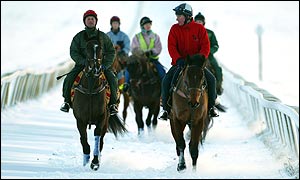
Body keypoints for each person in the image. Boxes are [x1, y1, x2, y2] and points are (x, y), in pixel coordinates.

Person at [159, 3, 219, 120]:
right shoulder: (174, 29)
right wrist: (178, 59)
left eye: (179, 15)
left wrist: (200, 59)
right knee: (166, 80)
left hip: (196, 65)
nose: (177, 18)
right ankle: (166, 109)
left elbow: (205, 46)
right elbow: (171, 47)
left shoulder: (200, 29)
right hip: (179, 64)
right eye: (177, 15)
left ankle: (211, 107)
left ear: (187, 16)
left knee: (212, 80)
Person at [60, 10, 119, 116]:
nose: (91, 21)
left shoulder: (103, 37)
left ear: (96, 21)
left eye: (92, 19)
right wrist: (82, 62)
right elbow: (73, 51)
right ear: (84, 21)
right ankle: (67, 102)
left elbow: (111, 51)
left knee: (113, 79)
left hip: (101, 66)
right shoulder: (78, 37)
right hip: (82, 66)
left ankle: (113, 104)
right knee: (69, 78)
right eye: (88, 19)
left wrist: (105, 64)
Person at [124, 16, 166, 91]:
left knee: (162, 72)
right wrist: (142, 53)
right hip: (140, 61)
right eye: (146, 24)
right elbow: (134, 48)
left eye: (149, 24)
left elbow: (158, 48)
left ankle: (164, 92)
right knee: (128, 69)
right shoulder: (137, 37)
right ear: (142, 26)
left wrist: (151, 51)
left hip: (152, 60)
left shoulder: (155, 36)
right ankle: (126, 85)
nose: (148, 26)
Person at [194, 12, 223, 95]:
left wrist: (209, 50)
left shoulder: (210, 33)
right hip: (194, 56)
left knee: (217, 69)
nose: (199, 23)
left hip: (208, 56)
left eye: (200, 21)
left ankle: (218, 87)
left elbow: (216, 45)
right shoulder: (191, 33)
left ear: (203, 22)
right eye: (197, 21)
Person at [106, 16, 131, 92]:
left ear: (119, 24)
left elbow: (127, 46)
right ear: (111, 24)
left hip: (121, 56)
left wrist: (122, 50)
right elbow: (103, 47)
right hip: (110, 57)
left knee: (128, 67)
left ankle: (125, 84)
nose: (115, 25)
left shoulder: (124, 36)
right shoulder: (107, 35)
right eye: (114, 23)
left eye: (116, 23)